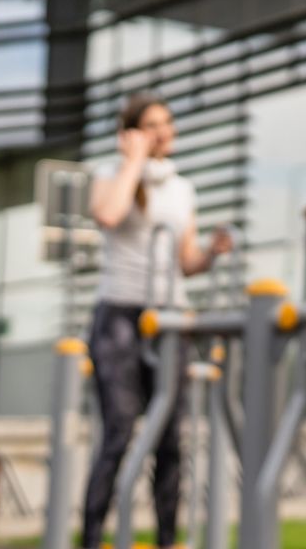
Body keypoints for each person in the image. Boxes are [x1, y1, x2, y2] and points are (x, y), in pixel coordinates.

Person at [79, 92, 233, 549]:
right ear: (130, 133)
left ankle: (167, 540)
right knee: (120, 430)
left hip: (169, 318)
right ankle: (91, 538)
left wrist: (210, 254)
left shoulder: (183, 189)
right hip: (120, 316)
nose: (164, 131)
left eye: (167, 123)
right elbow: (108, 214)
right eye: (151, 124)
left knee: (170, 438)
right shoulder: (110, 176)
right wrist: (134, 160)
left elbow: (186, 260)